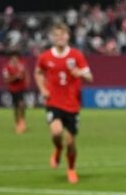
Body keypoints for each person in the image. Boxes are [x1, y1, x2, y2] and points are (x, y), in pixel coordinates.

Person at [34, 23, 93, 184]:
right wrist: (42, 89)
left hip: (72, 104)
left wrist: (79, 72)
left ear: (68, 36)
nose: (60, 37)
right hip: (53, 102)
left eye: (63, 34)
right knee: (56, 132)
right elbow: (38, 72)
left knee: (71, 142)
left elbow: (90, 77)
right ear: (52, 37)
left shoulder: (76, 55)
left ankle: (71, 169)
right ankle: (58, 149)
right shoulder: (45, 57)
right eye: (57, 35)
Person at [2, 49, 29, 133]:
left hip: (22, 88)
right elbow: (6, 80)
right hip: (13, 89)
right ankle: (17, 123)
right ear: (10, 59)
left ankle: (22, 121)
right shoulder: (6, 67)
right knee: (16, 106)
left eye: (16, 58)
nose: (15, 60)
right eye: (13, 58)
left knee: (22, 104)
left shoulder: (22, 64)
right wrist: (15, 77)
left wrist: (26, 81)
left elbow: (26, 73)